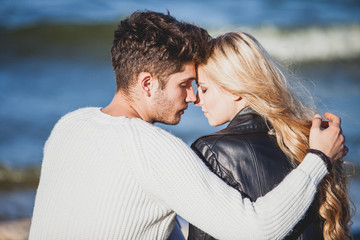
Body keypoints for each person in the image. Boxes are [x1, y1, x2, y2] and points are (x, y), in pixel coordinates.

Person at [28, 11, 347, 240]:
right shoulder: (152, 147)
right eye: (185, 84)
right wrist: (317, 161)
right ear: (148, 84)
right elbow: (257, 230)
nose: (192, 96)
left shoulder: (68, 126)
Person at [188, 31, 352, 240]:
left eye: (203, 89)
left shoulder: (211, 151)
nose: (196, 99)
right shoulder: (305, 141)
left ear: (233, 90)